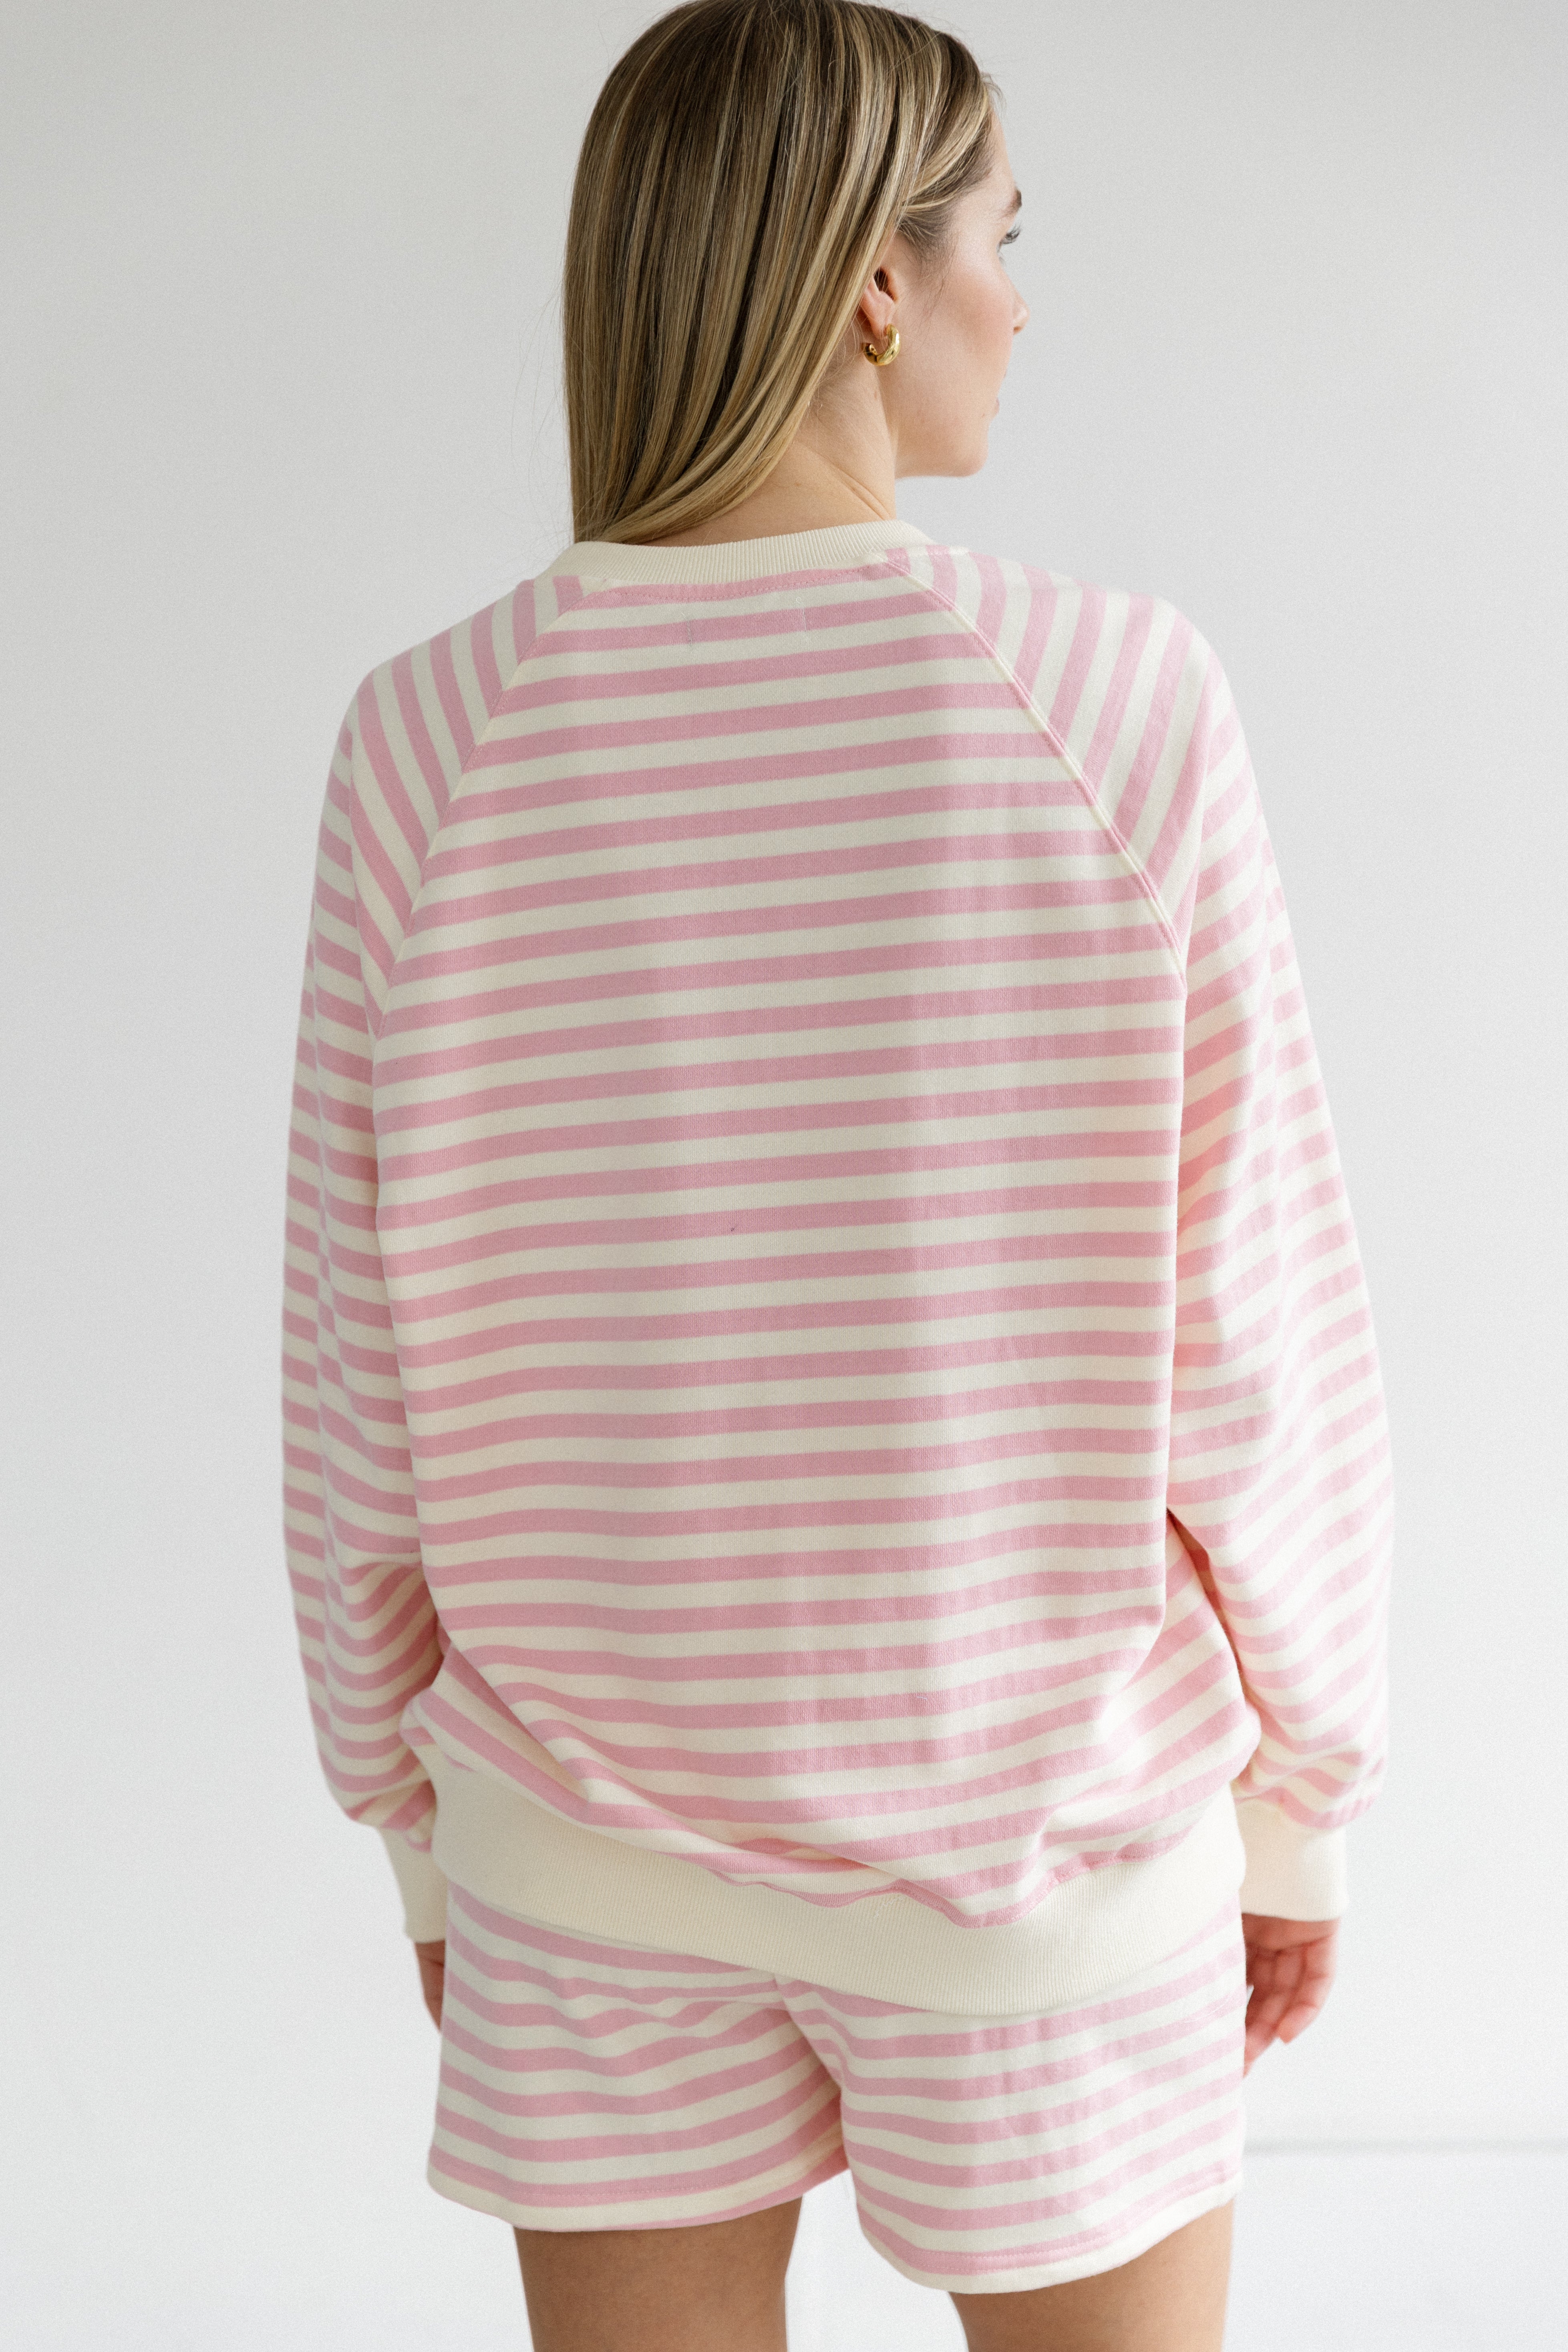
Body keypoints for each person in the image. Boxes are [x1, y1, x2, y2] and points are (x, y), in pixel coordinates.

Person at [280, 3, 1394, 2345]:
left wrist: (417, 1836)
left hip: (582, 1862)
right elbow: (1258, 1343)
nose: (1023, 300)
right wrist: (1301, 1799)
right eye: (1005, 238)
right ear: (879, 284)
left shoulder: (427, 742)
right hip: (1040, 1861)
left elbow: (356, 1383)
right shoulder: (1116, 704)